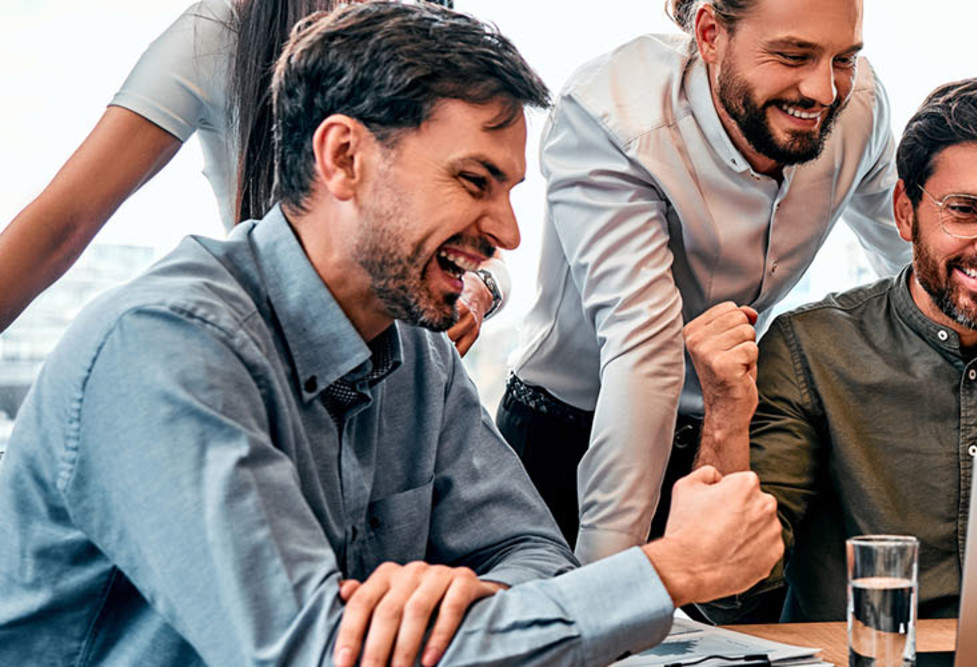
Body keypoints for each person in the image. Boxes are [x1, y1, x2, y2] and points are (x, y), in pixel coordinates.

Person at [0, 4, 782, 665]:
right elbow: (312, 650)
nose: (507, 232)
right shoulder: (164, 350)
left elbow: (534, 553)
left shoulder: (419, 358)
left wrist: (472, 595)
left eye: (510, 192)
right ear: (343, 158)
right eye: (475, 182)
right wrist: (666, 568)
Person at [690, 78, 977, 623]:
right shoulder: (810, 350)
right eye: (965, 210)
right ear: (905, 212)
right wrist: (723, 413)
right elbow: (730, 596)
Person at [501, 0, 910, 562]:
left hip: (722, 424)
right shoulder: (613, 116)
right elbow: (644, 352)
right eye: (792, 55)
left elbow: (911, 262)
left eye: (843, 58)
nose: (822, 91)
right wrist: (607, 591)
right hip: (572, 430)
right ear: (711, 34)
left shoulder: (857, 103)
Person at [0, 0, 503, 354]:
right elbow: (61, 225)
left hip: (408, 373)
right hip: (281, 357)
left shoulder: (433, 27)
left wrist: (481, 286)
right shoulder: (221, 31)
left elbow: (486, 229)